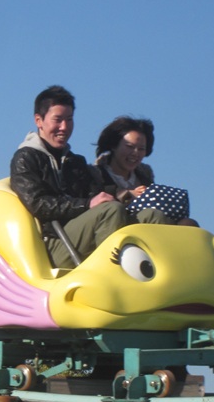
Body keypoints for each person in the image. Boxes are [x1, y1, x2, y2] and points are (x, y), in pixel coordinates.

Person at [10, 86, 171, 269]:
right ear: (39, 120)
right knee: (110, 211)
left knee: (153, 215)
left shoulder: (75, 161)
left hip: (83, 231)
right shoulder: (25, 158)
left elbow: (95, 192)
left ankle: (161, 283)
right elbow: (38, 204)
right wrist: (87, 204)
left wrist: (124, 194)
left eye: (69, 120)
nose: (64, 127)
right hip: (54, 241)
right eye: (58, 120)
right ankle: (113, 276)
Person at [92, 116, 198, 226]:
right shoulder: (95, 175)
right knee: (154, 216)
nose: (135, 153)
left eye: (141, 149)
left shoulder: (145, 177)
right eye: (129, 147)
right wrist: (128, 195)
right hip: (117, 227)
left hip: (149, 225)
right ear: (114, 146)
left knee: (188, 224)